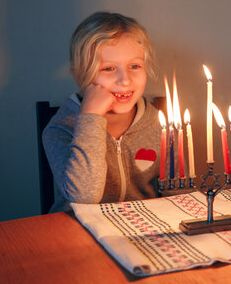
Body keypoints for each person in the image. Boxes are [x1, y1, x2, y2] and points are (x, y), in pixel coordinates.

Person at [43, 12, 161, 212]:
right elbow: (84, 196)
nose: (125, 80)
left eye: (135, 66)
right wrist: (91, 118)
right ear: (80, 76)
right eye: (108, 69)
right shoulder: (61, 129)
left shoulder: (159, 124)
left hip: (142, 230)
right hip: (77, 232)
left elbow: (179, 195)